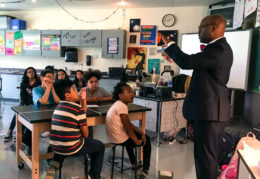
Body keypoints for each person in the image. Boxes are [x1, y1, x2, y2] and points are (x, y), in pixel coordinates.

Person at [159, 14, 233, 179]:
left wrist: (170, 45)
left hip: (210, 113)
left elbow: (186, 61)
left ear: (213, 28)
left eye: (201, 27)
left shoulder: (218, 49)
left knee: (206, 159)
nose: (198, 31)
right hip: (208, 112)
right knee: (204, 157)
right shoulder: (217, 49)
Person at [50, 79, 104, 179]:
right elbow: (86, 135)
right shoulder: (77, 109)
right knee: (100, 146)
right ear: (67, 94)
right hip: (72, 148)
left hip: (55, 147)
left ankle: (55, 163)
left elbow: (82, 111)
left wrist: (83, 99)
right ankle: (93, 176)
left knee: (63, 138)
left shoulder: (58, 107)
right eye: (74, 89)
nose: (77, 91)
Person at [106, 82, 151, 179]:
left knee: (130, 134)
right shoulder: (122, 106)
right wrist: (136, 140)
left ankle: (134, 164)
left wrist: (140, 133)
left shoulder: (117, 104)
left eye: (132, 92)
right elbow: (128, 128)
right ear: (120, 95)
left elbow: (128, 124)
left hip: (112, 138)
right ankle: (145, 169)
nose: (132, 94)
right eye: (129, 92)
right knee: (147, 139)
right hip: (119, 139)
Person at [3, 67, 41, 142]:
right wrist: (23, 104)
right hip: (25, 102)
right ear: (26, 74)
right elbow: (22, 95)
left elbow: (38, 95)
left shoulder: (38, 83)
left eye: (32, 72)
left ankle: (20, 134)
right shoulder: (23, 83)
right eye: (29, 72)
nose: (31, 73)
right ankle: (10, 131)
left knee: (24, 115)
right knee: (17, 113)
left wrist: (28, 103)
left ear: (34, 73)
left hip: (34, 103)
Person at [32, 69, 60, 139]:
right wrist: (48, 88)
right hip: (39, 115)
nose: (51, 79)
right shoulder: (36, 89)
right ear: (42, 78)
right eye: (48, 76)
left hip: (51, 115)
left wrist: (52, 88)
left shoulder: (51, 89)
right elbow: (43, 101)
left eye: (52, 77)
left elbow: (58, 101)